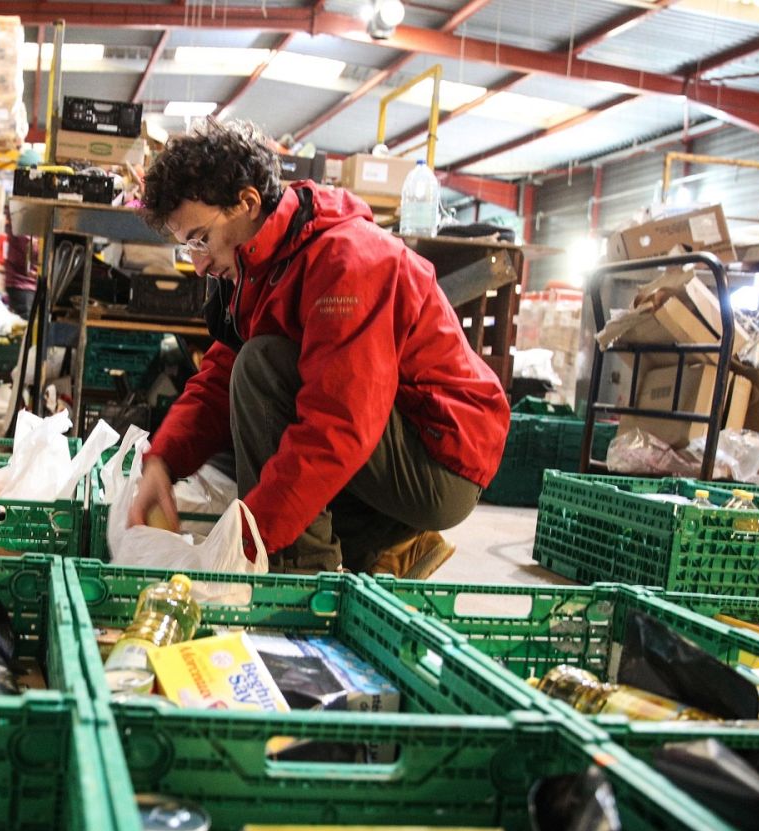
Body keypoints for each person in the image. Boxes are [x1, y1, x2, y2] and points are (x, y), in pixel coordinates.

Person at [129, 119, 510, 577]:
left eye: (200, 239)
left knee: (262, 370)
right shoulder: (266, 261)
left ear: (247, 202)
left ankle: (304, 578)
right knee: (238, 433)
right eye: (186, 246)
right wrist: (163, 463)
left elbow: (339, 424)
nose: (199, 263)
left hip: (440, 457)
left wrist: (249, 543)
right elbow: (218, 376)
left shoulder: (349, 262)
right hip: (388, 435)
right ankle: (386, 545)